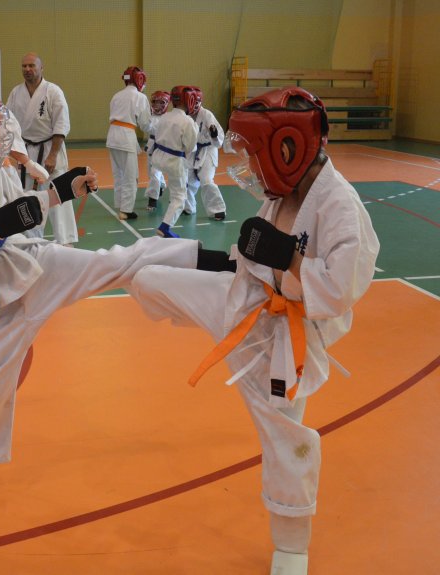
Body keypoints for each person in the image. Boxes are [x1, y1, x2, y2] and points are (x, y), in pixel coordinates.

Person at [0, 84, 233, 511]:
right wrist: (9, 219)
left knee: (118, 261)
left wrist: (61, 189)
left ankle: (223, 261)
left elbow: (22, 207)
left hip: (30, 263)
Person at [130, 87, 379, 574]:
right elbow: (252, 259)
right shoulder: (285, 193)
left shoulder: (340, 207)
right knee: (147, 278)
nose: (249, 166)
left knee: (285, 437)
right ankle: (98, 272)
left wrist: (287, 256)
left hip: (288, 339)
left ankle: (291, 550)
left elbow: (338, 290)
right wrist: (214, 261)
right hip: (245, 303)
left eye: (253, 154)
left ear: (287, 148)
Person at [6, 52, 78, 246]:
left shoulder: (53, 91)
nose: (27, 69)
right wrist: (17, 154)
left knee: (59, 192)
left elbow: (61, 125)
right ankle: (32, 240)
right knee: (28, 195)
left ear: (41, 68)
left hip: (50, 147)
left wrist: (52, 155)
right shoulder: (16, 93)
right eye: (24, 66)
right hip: (27, 151)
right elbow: (9, 123)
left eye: (32, 66)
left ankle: (65, 240)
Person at [151, 85, 199, 238]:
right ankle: (165, 227)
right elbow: (190, 147)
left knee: (174, 188)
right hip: (174, 161)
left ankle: (160, 192)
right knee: (180, 196)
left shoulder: (164, 116)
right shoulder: (187, 121)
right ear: (189, 101)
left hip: (158, 158)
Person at [106, 66, 152, 220]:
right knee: (131, 176)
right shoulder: (140, 97)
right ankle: (126, 210)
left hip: (112, 136)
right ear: (140, 80)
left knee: (119, 173)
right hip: (126, 137)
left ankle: (120, 204)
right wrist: (155, 126)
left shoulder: (116, 96)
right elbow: (145, 124)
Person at [183, 87, 227, 220]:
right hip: (192, 150)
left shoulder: (207, 115)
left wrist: (214, 135)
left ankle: (218, 210)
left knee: (206, 180)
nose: (194, 105)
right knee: (186, 181)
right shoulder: (184, 115)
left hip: (208, 150)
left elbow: (219, 142)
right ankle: (188, 207)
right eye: (191, 102)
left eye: (196, 102)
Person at [144, 90, 170, 212]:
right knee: (151, 174)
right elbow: (146, 128)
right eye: (155, 102)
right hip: (151, 146)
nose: (157, 105)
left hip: (162, 147)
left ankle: (152, 200)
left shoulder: (169, 118)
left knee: (155, 173)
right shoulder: (149, 116)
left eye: (161, 103)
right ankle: (161, 186)